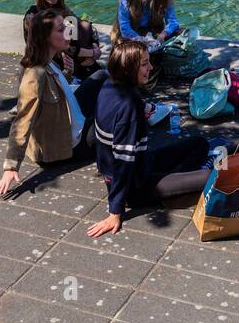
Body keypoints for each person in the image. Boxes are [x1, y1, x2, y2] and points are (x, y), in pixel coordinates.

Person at [87, 42, 213, 237]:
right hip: (135, 186)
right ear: (129, 68)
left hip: (141, 163)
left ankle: (173, 182)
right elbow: (123, 162)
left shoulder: (109, 83)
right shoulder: (129, 107)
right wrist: (115, 211)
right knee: (212, 177)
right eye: (145, 64)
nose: (151, 68)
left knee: (199, 144)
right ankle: (171, 188)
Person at [0, 8, 96, 197]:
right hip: (68, 144)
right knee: (113, 121)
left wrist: (67, 74)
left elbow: (54, 90)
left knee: (101, 76)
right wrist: (11, 166)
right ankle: (145, 114)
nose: (67, 31)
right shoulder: (34, 73)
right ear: (45, 37)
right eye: (60, 29)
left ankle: (144, 111)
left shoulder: (48, 61)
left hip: (69, 120)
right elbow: (23, 119)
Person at [22, 0, 101, 79]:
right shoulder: (33, 17)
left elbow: (82, 29)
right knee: (100, 78)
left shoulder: (63, 10)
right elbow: (62, 47)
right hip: (53, 66)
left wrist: (95, 46)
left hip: (76, 60)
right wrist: (91, 53)